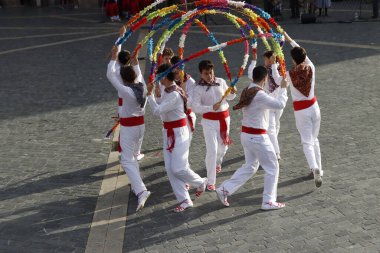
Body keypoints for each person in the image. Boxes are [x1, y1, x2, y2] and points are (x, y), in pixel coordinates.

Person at [216, 66, 289, 210]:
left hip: (247, 135)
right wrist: (284, 89)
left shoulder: (248, 89)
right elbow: (279, 104)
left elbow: (269, 98)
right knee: (273, 168)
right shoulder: (259, 94)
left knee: (250, 166)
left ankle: (225, 189)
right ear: (264, 78)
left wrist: (280, 88)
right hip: (257, 137)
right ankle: (268, 201)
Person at [146, 64, 207, 213]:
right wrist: (156, 95)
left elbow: (157, 110)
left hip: (179, 133)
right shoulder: (168, 90)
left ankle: (200, 182)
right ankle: (185, 200)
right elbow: (162, 107)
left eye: (159, 76)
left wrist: (149, 95)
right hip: (169, 131)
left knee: (178, 168)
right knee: (170, 169)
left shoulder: (173, 93)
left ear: (165, 77)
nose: (157, 79)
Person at [273, 32, 323, 187]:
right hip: (314, 107)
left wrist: (274, 63)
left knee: (306, 142)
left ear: (293, 60)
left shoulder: (289, 74)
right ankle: (319, 169)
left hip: (301, 111)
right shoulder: (311, 67)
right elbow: (300, 51)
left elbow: (277, 80)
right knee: (314, 139)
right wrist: (289, 39)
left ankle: (313, 167)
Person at [107, 46, 151, 212]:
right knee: (132, 157)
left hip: (129, 128)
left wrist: (113, 57)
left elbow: (110, 75)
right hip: (140, 126)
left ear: (123, 80)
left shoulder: (126, 91)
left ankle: (141, 190)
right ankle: (136, 185)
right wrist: (135, 60)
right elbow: (138, 72)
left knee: (126, 160)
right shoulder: (142, 85)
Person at [192, 60, 236, 191]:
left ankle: (218, 162)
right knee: (212, 150)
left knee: (223, 148)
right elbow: (195, 107)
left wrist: (232, 92)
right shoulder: (198, 88)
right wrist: (211, 107)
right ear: (201, 74)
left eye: (211, 73)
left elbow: (229, 98)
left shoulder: (221, 81)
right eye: (206, 74)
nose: (209, 76)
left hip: (224, 118)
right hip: (209, 122)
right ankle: (211, 180)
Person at [114, 27, 145, 161]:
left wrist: (120, 37)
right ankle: (135, 153)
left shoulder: (116, 74)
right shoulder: (135, 76)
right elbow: (137, 67)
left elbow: (115, 55)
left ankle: (128, 152)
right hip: (136, 106)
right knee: (136, 130)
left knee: (126, 128)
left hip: (123, 104)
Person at [248, 51, 284, 160]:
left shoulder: (280, 70)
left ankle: (271, 144)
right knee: (271, 127)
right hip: (269, 102)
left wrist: (273, 64)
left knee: (276, 125)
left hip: (277, 102)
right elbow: (251, 75)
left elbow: (278, 81)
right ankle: (276, 152)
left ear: (272, 59)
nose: (264, 62)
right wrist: (253, 61)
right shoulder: (264, 71)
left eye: (266, 59)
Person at [170, 56, 197, 142]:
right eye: (174, 68)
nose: (176, 71)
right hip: (172, 117)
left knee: (185, 143)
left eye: (179, 68)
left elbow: (191, 102)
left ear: (183, 67)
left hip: (186, 117)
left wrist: (183, 92)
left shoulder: (190, 82)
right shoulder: (168, 82)